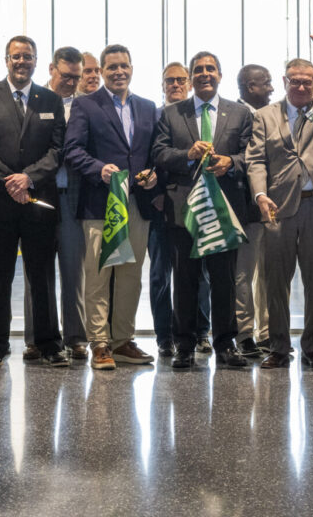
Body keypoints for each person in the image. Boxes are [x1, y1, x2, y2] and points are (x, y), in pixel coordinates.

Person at [247, 19, 313, 370]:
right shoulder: (264, 116)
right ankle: (278, 347)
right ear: (284, 83)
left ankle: (312, 347)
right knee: (275, 281)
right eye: (296, 82)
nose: (303, 87)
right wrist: (260, 196)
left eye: (308, 82)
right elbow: (256, 160)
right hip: (278, 208)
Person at [0, 35, 67, 371]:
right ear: (6, 61)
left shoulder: (50, 99)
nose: (21, 62)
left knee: (42, 277)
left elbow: (57, 150)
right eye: (15, 57)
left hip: (39, 202)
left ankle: (49, 343)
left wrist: (29, 178)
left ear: (36, 61)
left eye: (27, 57)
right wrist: (11, 181)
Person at [152, 50, 253, 369]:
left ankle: (226, 343)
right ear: (191, 77)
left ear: (220, 75)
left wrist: (231, 162)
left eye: (211, 69)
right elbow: (159, 153)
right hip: (184, 210)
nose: (205, 74)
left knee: (224, 280)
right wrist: (188, 154)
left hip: (224, 209)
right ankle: (184, 344)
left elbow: (251, 153)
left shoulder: (239, 113)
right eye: (198, 70)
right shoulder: (172, 113)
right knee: (184, 280)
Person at [65, 43, 162, 370]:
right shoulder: (86, 106)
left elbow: (154, 154)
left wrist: (152, 175)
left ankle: (122, 340)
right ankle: (100, 343)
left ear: (132, 68)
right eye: (112, 67)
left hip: (136, 203)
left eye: (124, 65)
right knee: (98, 274)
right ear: (102, 72)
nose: (119, 71)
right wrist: (98, 169)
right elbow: (73, 151)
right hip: (100, 204)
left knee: (131, 275)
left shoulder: (148, 107)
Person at [147, 62, 207, 358]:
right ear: (162, 84)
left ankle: (201, 332)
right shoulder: (155, 116)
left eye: (181, 79)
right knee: (161, 275)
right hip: (161, 207)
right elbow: (149, 158)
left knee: (197, 273)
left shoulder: (197, 115)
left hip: (197, 206)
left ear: (190, 83)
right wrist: (157, 193)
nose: (175, 85)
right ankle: (164, 336)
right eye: (169, 80)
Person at [35, 46, 88, 360]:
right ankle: (36, 338)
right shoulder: (35, 101)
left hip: (72, 198)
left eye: (76, 78)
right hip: (39, 196)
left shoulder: (85, 106)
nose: (71, 82)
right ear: (52, 69)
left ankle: (76, 337)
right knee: (37, 272)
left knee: (73, 271)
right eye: (66, 76)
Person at [234, 63, 275, 356]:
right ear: (251, 87)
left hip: (271, 206)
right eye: (266, 83)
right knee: (243, 274)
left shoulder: (270, 115)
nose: (271, 88)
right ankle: (244, 333)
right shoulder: (236, 115)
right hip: (245, 208)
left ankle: (267, 333)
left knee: (268, 273)